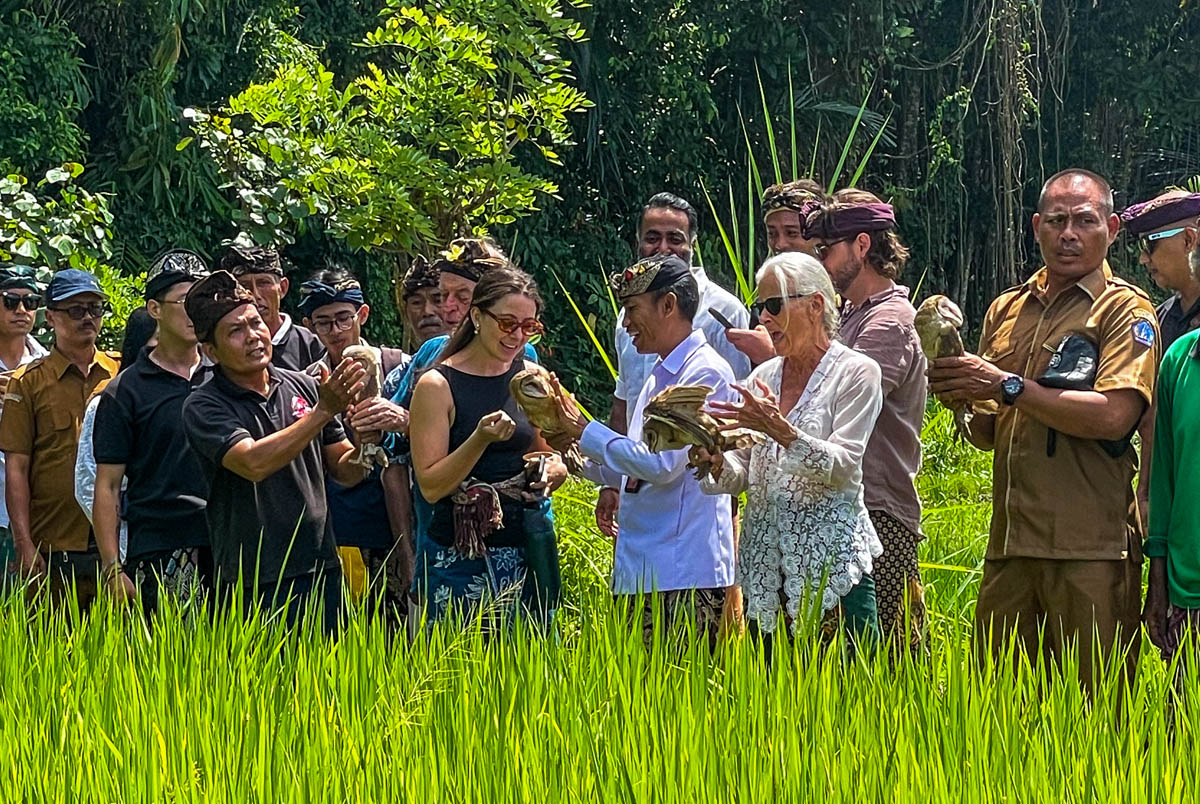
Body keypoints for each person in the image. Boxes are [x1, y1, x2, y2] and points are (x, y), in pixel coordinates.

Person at [928, 168, 1158, 690]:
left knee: (1093, 717)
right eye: (1056, 221)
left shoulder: (1125, 310)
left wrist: (1009, 386)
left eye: (1084, 220)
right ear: (1036, 227)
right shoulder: (1007, 309)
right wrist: (963, 399)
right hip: (1011, 546)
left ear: (1113, 228)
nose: (1068, 233)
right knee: (999, 712)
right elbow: (990, 433)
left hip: (1090, 552)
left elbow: (1115, 415)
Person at [693, 252, 883, 653]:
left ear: (816, 305)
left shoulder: (856, 372)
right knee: (773, 709)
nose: (764, 318)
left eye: (774, 305)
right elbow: (743, 471)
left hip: (832, 574)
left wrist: (777, 427)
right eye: (759, 307)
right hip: (766, 574)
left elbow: (844, 467)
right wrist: (714, 460)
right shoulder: (763, 376)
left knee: (851, 706)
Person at [551, 254, 738, 648]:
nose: (625, 323)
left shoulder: (703, 372)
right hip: (646, 567)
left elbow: (661, 465)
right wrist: (572, 453)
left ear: (668, 305)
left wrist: (585, 429)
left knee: (683, 697)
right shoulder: (660, 371)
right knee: (643, 699)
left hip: (683, 572)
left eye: (633, 309)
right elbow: (635, 467)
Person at [181, 271, 368, 632]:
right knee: (264, 686)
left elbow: (345, 469)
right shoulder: (203, 404)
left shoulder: (304, 385)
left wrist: (368, 440)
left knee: (328, 684)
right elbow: (252, 462)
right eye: (236, 331)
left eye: (256, 323)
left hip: (320, 567)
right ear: (210, 351)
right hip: (252, 578)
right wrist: (323, 412)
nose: (253, 336)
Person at [806, 189, 928, 654]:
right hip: (843, 505)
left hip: (878, 511)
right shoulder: (851, 316)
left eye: (826, 250)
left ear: (862, 245)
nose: (820, 262)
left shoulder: (890, 321)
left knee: (884, 664)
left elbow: (838, 404)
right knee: (836, 664)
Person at [409, 266, 567, 623]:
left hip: (527, 547)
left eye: (530, 328)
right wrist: (478, 440)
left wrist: (554, 470)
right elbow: (431, 486)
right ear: (477, 317)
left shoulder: (532, 377)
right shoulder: (437, 385)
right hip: (461, 553)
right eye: (508, 323)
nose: (517, 337)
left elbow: (547, 452)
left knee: (532, 670)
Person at [599, 193, 751, 552]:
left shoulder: (722, 311)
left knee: (707, 589)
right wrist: (610, 482)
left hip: (698, 485)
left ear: (693, 245)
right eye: (653, 237)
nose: (663, 247)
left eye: (675, 239)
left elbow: (736, 412)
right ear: (638, 242)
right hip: (639, 476)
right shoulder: (628, 317)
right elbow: (625, 397)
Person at [91, 250, 212, 618]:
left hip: (231, 541)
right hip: (162, 546)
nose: (195, 312)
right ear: (155, 309)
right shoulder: (124, 391)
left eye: (201, 300)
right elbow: (107, 485)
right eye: (183, 301)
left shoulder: (224, 375)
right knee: (176, 666)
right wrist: (112, 569)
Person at [297, 269, 413, 624]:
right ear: (309, 325)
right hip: (338, 527)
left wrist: (402, 420)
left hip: (398, 523)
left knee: (400, 638)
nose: (335, 331)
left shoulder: (400, 367)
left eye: (343, 318)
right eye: (323, 322)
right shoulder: (306, 382)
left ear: (362, 316)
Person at [0, 269, 119, 610]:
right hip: (53, 542)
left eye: (94, 309)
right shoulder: (28, 383)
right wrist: (23, 544)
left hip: (113, 541)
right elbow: (17, 469)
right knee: (53, 649)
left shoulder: (121, 373)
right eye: (75, 310)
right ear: (50, 317)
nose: (87, 318)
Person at [1120, 192, 1200, 533]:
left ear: (1188, 239)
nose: (1142, 259)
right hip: (1174, 482)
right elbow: (1153, 419)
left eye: (1150, 244)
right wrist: (1147, 493)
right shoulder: (1161, 320)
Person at [75, 307, 158, 566]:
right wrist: (116, 551)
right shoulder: (110, 400)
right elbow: (88, 485)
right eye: (157, 344)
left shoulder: (200, 395)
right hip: (131, 546)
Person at [0, 264, 47, 589]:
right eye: (10, 301)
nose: (21, 310)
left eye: (30, 302)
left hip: (38, 515)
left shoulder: (45, 364)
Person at [220, 244, 325, 371]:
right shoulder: (227, 346)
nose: (255, 294)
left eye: (263, 283)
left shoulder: (311, 345)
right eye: (244, 286)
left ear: (283, 288)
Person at [399, 255, 448, 354]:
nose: (427, 311)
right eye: (416, 303)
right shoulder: (403, 367)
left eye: (438, 301)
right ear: (406, 313)